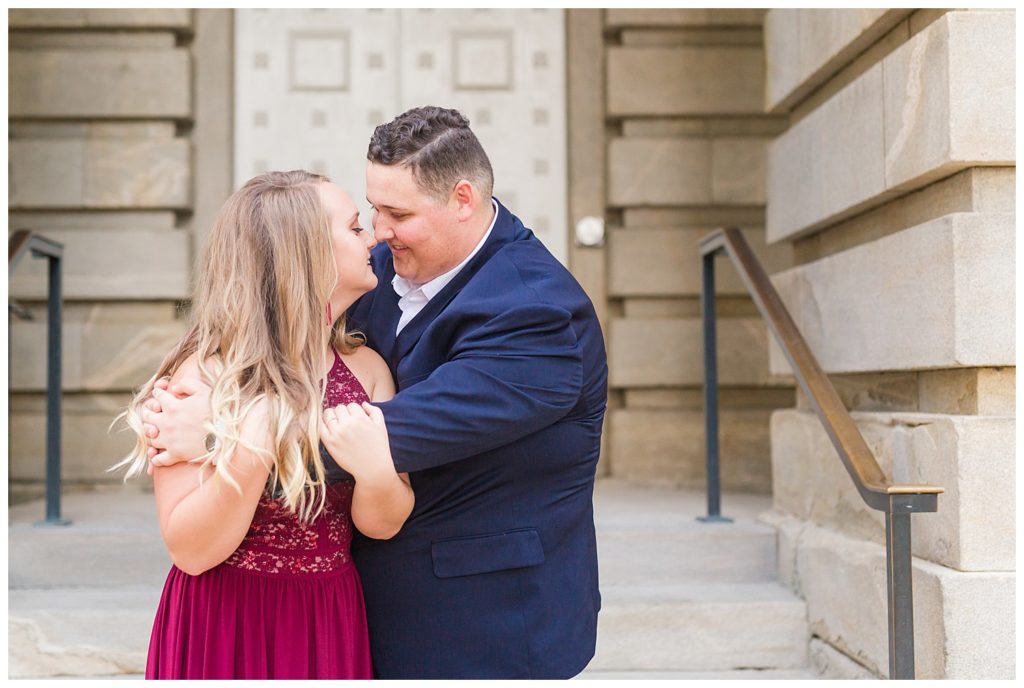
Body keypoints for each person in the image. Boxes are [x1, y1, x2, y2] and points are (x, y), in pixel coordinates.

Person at [145, 106, 609, 679]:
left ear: (462, 198)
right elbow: (283, 311)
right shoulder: (382, 268)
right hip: (299, 612)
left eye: (396, 213)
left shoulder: (535, 312)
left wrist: (220, 434)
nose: (380, 232)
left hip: (480, 619)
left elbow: (393, 431)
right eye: (369, 214)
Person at [114, 171, 413, 679]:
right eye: (355, 227)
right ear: (309, 255)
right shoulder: (205, 374)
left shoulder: (367, 370)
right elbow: (191, 550)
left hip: (328, 612)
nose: (374, 237)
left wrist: (377, 474)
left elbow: (382, 523)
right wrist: (254, 441)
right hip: (225, 616)